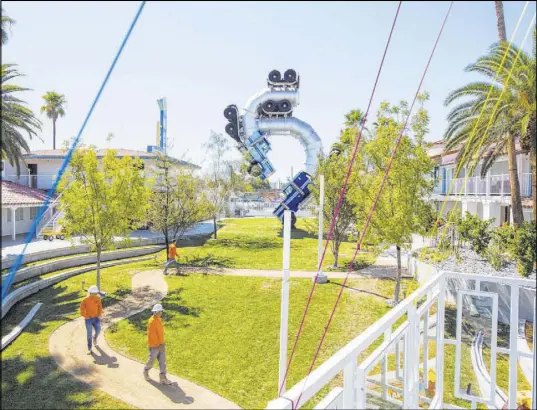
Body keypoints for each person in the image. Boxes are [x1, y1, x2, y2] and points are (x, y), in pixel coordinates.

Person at [143, 303, 173, 384]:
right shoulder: (151, 322)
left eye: (161, 311)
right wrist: (158, 345)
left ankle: (163, 378)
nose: (161, 313)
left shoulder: (159, 319)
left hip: (161, 345)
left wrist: (162, 344)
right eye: (160, 312)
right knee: (151, 361)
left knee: (163, 362)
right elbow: (152, 335)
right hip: (154, 346)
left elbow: (160, 333)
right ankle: (146, 371)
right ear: (155, 312)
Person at [80, 285, 103, 355]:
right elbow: (82, 309)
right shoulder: (85, 300)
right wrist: (86, 316)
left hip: (96, 318)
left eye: (96, 293)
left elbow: (100, 307)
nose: (96, 294)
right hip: (88, 319)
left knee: (98, 330)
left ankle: (95, 338)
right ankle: (89, 348)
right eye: (94, 293)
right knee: (89, 334)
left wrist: (99, 314)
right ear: (90, 292)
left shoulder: (98, 298)